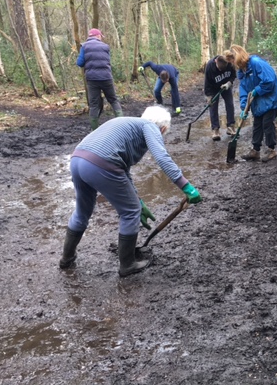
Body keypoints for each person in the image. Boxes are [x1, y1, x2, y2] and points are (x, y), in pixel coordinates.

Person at [59, 106, 202, 277]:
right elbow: (162, 157)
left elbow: (123, 170)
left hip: (77, 160)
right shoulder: (149, 127)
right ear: (163, 129)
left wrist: (138, 200)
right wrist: (186, 187)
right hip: (101, 163)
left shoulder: (128, 125)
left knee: (82, 212)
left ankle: (67, 259)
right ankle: (127, 264)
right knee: (130, 212)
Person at [223, 45, 277, 162]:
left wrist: (258, 90)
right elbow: (244, 88)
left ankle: (271, 150)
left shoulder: (257, 63)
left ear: (237, 57)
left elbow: (270, 81)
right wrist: (243, 107)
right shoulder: (242, 70)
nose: (233, 65)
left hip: (272, 98)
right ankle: (255, 151)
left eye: (232, 61)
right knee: (257, 124)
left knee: (267, 123)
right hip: (259, 101)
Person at [77, 28, 123, 130]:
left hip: (92, 79)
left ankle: (94, 131)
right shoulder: (105, 47)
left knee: (93, 105)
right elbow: (107, 61)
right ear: (98, 36)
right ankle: (122, 126)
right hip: (106, 77)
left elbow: (80, 63)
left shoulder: (84, 46)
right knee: (113, 100)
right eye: (101, 36)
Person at [204, 55, 237, 141]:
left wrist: (229, 83)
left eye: (222, 70)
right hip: (213, 88)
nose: (220, 71)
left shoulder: (230, 63)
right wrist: (209, 96)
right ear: (216, 62)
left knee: (230, 104)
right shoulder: (209, 67)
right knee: (213, 107)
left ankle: (231, 126)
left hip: (225, 86)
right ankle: (215, 130)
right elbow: (207, 84)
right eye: (219, 69)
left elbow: (233, 75)